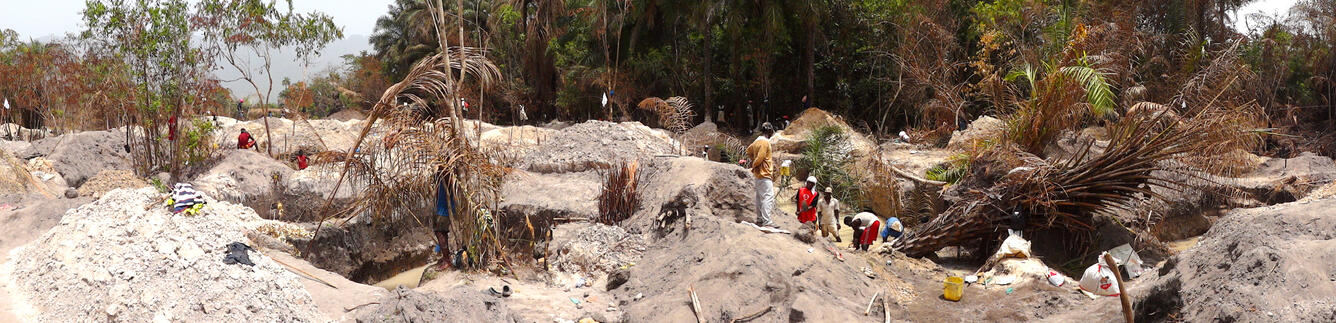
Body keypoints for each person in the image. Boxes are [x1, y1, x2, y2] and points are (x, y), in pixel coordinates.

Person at [746, 122, 778, 228]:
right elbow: (760, 157)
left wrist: (753, 162)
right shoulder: (765, 142)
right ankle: (767, 221)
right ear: (769, 131)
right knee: (768, 197)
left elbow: (748, 151)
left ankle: (759, 219)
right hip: (765, 173)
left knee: (759, 198)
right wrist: (755, 165)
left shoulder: (756, 141)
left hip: (758, 175)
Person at [433, 171, 455, 270]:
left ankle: (447, 260)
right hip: (442, 206)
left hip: (445, 207)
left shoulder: (446, 171)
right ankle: (446, 257)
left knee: (439, 231)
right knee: (442, 231)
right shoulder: (442, 171)